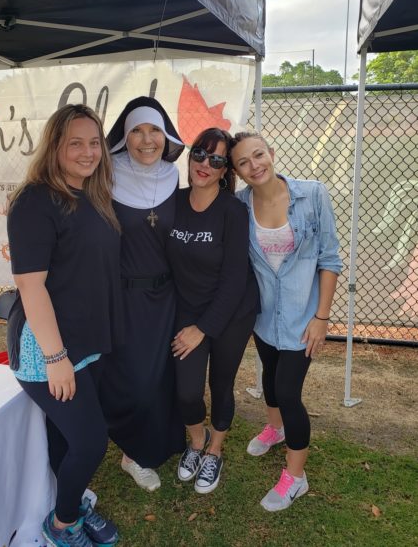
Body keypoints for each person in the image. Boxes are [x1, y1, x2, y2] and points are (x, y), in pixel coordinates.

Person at [7, 104, 122, 547]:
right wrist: (57, 359)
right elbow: (30, 287)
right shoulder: (35, 200)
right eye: (75, 143)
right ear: (54, 146)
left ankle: (66, 503)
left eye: (94, 142)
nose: (88, 152)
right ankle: (61, 525)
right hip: (48, 347)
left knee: (66, 434)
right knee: (92, 441)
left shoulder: (92, 194)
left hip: (82, 340)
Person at [230, 131, 342, 512]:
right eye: (243, 162)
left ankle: (296, 477)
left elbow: (329, 259)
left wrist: (321, 317)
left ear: (271, 153)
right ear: (237, 171)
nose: (254, 165)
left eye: (258, 155)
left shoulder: (312, 194)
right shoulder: (238, 206)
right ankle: (275, 430)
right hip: (264, 318)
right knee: (269, 380)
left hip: (302, 318)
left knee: (289, 392)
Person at [166, 127, 259, 494]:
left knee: (221, 382)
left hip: (232, 311)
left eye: (217, 160)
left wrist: (203, 328)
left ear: (225, 171)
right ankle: (196, 439)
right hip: (188, 308)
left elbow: (235, 280)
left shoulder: (232, 211)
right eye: (201, 154)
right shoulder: (172, 201)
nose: (205, 164)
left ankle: (215, 449)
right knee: (187, 391)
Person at [100, 96, 186, 491]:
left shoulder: (173, 176)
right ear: (124, 136)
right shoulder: (105, 175)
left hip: (166, 298)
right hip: (124, 297)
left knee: (162, 377)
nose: (146, 140)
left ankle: (153, 448)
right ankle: (130, 451)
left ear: (165, 134)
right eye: (137, 130)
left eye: (154, 130)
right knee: (133, 378)